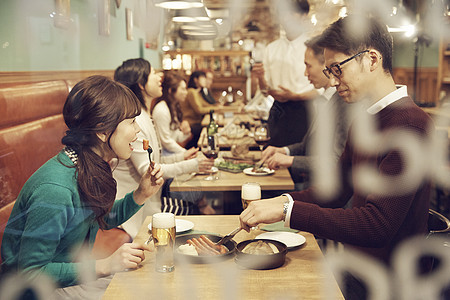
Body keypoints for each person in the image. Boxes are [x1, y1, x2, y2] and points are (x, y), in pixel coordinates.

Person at [240, 15, 434, 299]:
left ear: (371, 59)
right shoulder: (366, 120)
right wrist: (284, 201)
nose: (331, 82)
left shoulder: (410, 125)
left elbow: (377, 225)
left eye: (336, 70)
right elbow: (337, 190)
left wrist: (288, 212)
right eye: (329, 71)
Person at [0, 76, 164, 296]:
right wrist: (105, 265)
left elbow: (101, 219)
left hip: (68, 277)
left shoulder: (88, 166)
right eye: (131, 122)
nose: (137, 131)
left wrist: (141, 194)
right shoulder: (55, 189)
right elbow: (31, 272)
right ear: (102, 131)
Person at [113, 59, 215, 238]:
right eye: (153, 73)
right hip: (134, 213)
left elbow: (154, 161)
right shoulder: (135, 120)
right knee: (192, 208)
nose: (160, 76)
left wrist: (184, 158)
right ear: (141, 84)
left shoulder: (145, 114)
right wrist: (193, 165)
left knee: (194, 203)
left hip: (151, 201)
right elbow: (148, 170)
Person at [260, 35, 353, 191]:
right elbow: (306, 145)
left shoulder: (345, 103)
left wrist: (289, 160)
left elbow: (335, 161)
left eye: (308, 66)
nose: (305, 73)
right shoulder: (325, 100)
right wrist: (283, 150)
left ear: (326, 65)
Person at [252, 0, 319, 147]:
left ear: (303, 16)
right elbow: (264, 91)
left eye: (291, 13)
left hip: (304, 110)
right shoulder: (271, 48)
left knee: (298, 156)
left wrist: (296, 96)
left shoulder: (313, 47)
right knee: (273, 156)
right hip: (277, 110)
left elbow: (324, 90)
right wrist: (260, 77)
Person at [152, 70, 193, 155]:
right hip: (164, 155)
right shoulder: (162, 110)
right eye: (183, 89)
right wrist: (185, 152)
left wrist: (187, 132)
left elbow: (176, 136)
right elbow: (166, 141)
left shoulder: (172, 107)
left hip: (171, 153)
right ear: (171, 90)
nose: (186, 92)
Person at [181, 70, 217, 149]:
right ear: (195, 80)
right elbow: (199, 110)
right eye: (203, 78)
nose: (205, 80)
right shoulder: (191, 92)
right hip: (191, 124)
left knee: (211, 128)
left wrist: (216, 107)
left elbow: (206, 105)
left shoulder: (197, 92)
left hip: (196, 122)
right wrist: (216, 109)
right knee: (211, 130)